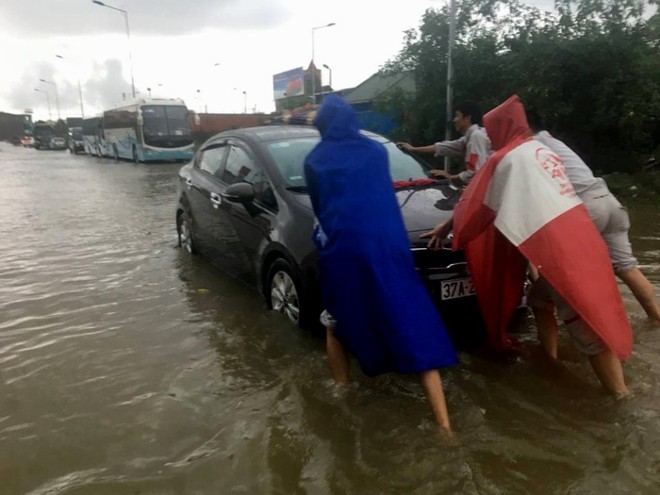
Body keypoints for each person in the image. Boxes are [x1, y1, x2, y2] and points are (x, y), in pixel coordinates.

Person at [424, 95, 633, 396]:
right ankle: (550, 361)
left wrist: (449, 231)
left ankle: (620, 398)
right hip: (583, 235)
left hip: (558, 250)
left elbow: (475, 207)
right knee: (542, 300)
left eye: (491, 129)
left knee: (585, 325)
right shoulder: (538, 148)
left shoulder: (504, 158)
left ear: (500, 128)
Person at [304, 94, 458, 432]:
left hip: (345, 251)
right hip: (390, 247)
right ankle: (445, 427)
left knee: (335, 321)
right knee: (414, 322)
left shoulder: (315, 160)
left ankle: (343, 392)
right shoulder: (376, 151)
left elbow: (321, 208)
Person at [525, 110, 660, 360]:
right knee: (626, 267)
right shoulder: (553, 141)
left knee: (557, 288)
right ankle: (656, 320)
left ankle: (556, 359)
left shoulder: (530, 148)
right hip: (608, 202)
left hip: (585, 209)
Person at [397, 101, 491, 185]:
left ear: (467, 118)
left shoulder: (476, 137)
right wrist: (414, 149)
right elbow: (445, 147)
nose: (454, 120)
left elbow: (478, 172)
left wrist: (450, 177)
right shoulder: (469, 138)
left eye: (457, 116)